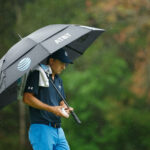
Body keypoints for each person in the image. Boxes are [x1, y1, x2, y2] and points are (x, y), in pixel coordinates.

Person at [23, 48, 73, 150]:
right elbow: (27, 98)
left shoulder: (59, 80)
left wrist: (65, 108)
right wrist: (52, 109)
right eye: (62, 63)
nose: (64, 67)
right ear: (51, 61)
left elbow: (61, 101)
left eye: (65, 64)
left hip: (58, 130)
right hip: (42, 128)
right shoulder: (37, 74)